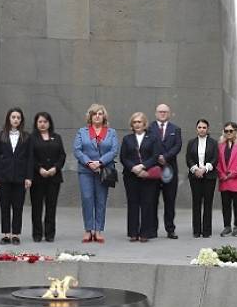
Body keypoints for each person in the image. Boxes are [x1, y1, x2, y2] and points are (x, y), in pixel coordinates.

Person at [73, 104, 119, 244]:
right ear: (90, 117)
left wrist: (100, 162)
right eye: (95, 114)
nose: (97, 116)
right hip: (85, 170)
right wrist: (88, 162)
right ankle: (88, 230)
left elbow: (114, 150)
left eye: (100, 113)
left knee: (101, 200)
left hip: (103, 170)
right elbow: (77, 150)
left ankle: (98, 230)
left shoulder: (111, 132)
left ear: (104, 116)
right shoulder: (82, 131)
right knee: (87, 199)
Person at [0, 108, 33, 245]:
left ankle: (15, 234)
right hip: (3, 176)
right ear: (9, 118)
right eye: (13, 117)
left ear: (21, 120)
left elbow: (29, 158)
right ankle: (6, 234)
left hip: (20, 177)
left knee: (18, 206)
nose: (15, 120)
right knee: (4, 206)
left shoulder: (26, 136)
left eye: (18, 118)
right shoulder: (1, 135)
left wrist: (29, 177)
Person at [120, 112, 163, 242]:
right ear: (132, 125)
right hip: (131, 175)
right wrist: (134, 168)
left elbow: (155, 156)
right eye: (135, 122)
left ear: (144, 124)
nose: (137, 124)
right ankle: (133, 232)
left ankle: (145, 233)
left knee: (147, 204)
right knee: (133, 204)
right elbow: (123, 157)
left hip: (147, 175)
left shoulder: (153, 138)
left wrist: (143, 166)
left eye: (139, 122)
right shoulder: (127, 139)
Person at [29, 112, 66, 243]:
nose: (42, 124)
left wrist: (55, 168)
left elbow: (62, 155)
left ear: (49, 123)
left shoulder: (57, 137)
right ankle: (37, 234)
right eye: (40, 122)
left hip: (54, 177)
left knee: (51, 206)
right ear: (36, 123)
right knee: (37, 207)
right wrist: (39, 169)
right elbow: (30, 157)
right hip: (37, 177)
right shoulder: (31, 138)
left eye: (45, 121)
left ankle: (50, 234)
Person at [152, 103, 182, 239]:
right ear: (156, 113)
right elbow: (147, 145)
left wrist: (166, 157)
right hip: (153, 168)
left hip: (170, 169)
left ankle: (170, 229)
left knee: (170, 201)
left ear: (169, 113)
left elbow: (177, 146)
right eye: (160, 111)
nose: (162, 114)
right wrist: (157, 157)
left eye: (165, 112)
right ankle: (152, 229)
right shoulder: (149, 128)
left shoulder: (175, 129)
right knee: (152, 200)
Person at [185, 119, 219, 238]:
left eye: (204, 127)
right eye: (199, 127)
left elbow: (215, 158)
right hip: (195, 177)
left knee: (208, 203)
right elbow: (188, 158)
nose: (202, 129)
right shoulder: (191, 142)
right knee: (196, 202)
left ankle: (206, 231)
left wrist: (205, 169)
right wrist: (196, 170)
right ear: (196, 129)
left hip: (209, 176)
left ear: (207, 129)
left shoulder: (214, 143)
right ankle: (196, 230)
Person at [217, 122, 237, 237]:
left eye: (231, 130)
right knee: (225, 204)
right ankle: (227, 226)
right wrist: (222, 174)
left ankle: (236, 226)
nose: (228, 133)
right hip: (224, 179)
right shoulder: (220, 144)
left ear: (236, 131)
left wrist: (233, 173)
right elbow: (218, 162)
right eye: (226, 131)